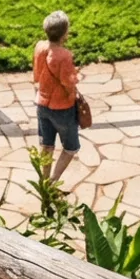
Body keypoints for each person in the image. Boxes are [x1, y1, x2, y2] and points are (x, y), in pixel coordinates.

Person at [34, 10, 84, 182]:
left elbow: (37, 75)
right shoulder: (64, 55)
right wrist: (75, 78)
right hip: (62, 108)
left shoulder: (40, 48)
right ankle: (54, 180)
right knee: (71, 147)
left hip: (42, 104)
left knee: (47, 145)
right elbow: (68, 83)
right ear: (65, 33)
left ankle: (44, 180)